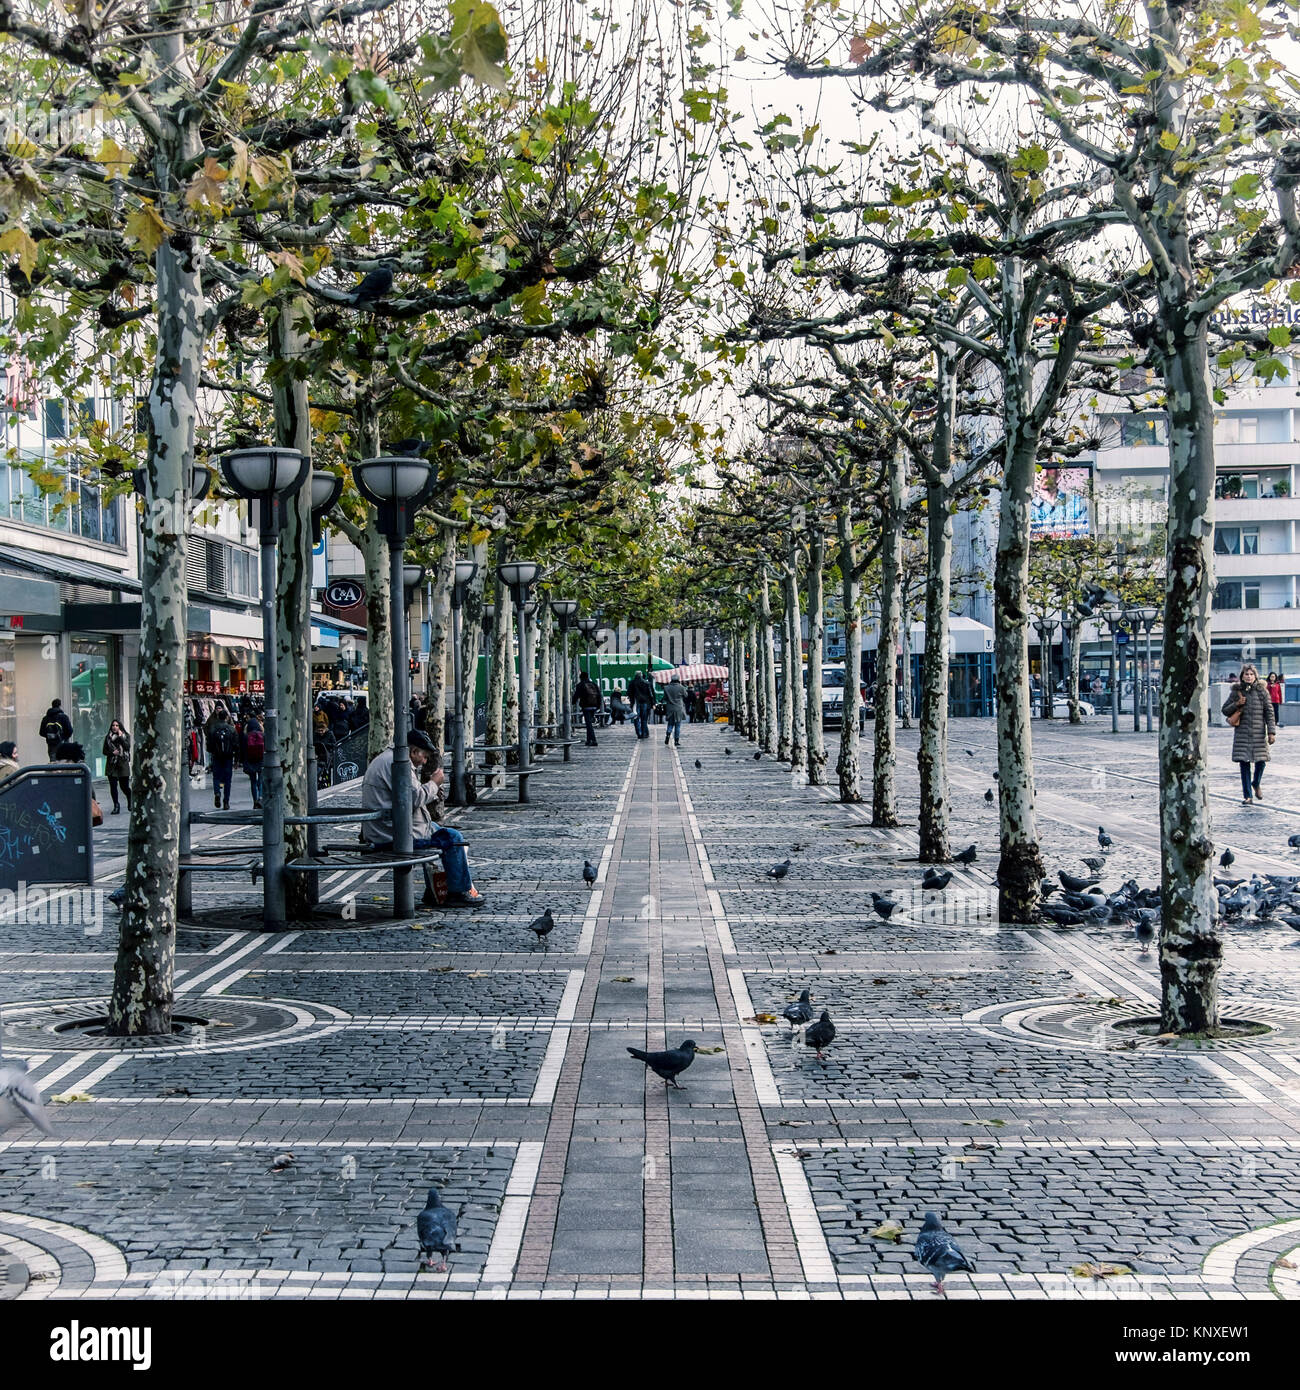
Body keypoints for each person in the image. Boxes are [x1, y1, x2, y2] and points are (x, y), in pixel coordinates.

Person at [361, 729, 484, 907]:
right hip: (395, 834)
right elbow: (414, 798)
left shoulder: (387, 759)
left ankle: (434, 890)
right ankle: (458, 891)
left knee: (439, 831)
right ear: (413, 751)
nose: (424, 761)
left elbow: (409, 796)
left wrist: (432, 792)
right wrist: (434, 783)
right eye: (424, 756)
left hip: (389, 828)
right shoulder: (398, 763)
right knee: (453, 838)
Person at [1223, 664, 1276, 805]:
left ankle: (1256, 782)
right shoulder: (1237, 692)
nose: (1249, 676)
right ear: (1242, 676)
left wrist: (1271, 732)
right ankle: (1248, 796)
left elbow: (1269, 712)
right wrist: (1237, 704)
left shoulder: (1262, 691)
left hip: (1259, 733)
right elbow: (1225, 710)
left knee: (1261, 762)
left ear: (1255, 676)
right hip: (1242, 734)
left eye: (1251, 674)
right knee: (1244, 764)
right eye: (1246, 674)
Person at [206, 706, 238, 810]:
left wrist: (212, 752)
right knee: (228, 779)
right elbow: (236, 745)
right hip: (228, 757)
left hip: (217, 756)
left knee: (216, 777)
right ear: (226, 718)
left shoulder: (212, 729)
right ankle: (226, 801)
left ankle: (217, 792)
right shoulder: (232, 729)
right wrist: (237, 759)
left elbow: (209, 745)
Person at [103, 720, 131, 814]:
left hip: (122, 763)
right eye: (113, 725)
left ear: (120, 727)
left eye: (117, 725)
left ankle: (130, 800)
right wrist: (112, 753)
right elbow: (104, 751)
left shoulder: (125, 736)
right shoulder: (108, 738)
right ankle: (116, 805)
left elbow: (127, 747)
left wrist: (120, 738)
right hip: (112, 764)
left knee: (124, 787)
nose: (115, 727)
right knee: (113, 786)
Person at [241, 712, 265, 809]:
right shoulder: (263, 735)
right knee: (261, 781)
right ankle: (260, 797)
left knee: (253, 782)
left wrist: (242, 761)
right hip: (261, 760)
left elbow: (242, 750)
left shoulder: (246, 736)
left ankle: (255, 800)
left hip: (250, 760)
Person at [574, 671, 603, 747]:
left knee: (589, 724)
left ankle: (593, 740)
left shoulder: (580, 685)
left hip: (586, 706)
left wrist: (572, 702)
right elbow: (599, 695)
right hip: (594, 706)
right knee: (588, 723)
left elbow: (576, 695)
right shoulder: (594, 684)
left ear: (581, 677)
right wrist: (598, 706)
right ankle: (588, 740)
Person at [663, 674, 688, 747]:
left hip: (670, 707)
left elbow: (664, 698)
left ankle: (668, 733)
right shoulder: (681, 687)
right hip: (678, 708)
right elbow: (686, 695)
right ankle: (676, 741)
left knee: (670, 723)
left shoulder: (666, 688)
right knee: (677, 725)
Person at [629, 668, 654, 739]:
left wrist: (632, 701)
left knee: (636, 718)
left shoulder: (632, 683)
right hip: (645, 702)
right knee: (644, 719)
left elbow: (629, 693)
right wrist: (652, 703)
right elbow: (650, 694)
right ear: (641, 675)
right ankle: (644, 733)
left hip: (636, 702)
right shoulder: (646, 683)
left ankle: (638, 733)